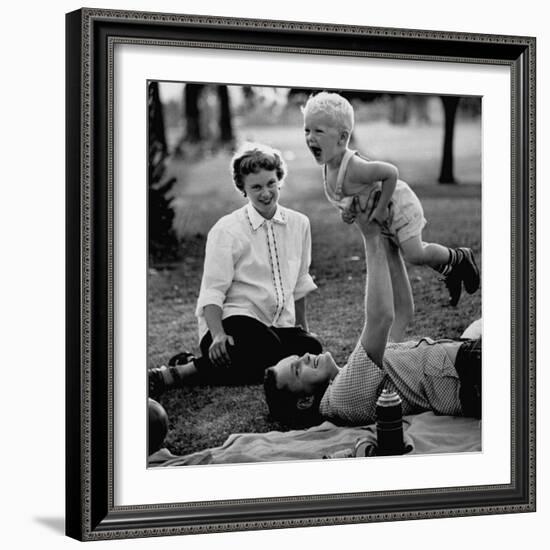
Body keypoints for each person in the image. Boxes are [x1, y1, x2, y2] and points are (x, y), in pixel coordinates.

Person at [264, 195, 481, 428]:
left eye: (297, 358)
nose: (305, 356)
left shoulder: (356, 374)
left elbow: (402, 312)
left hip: (467, 359)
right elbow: (381, 318)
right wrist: (370, 236)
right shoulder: (341, 397)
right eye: (298, 368)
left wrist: (388, 244)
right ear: (305, 401)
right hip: (472, 372)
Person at [149, 143, 322, 396]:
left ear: (279, 180)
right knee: (265, 346)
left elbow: (300, 283)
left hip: (275, 327)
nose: (266, 193)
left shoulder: (299, 224)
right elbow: (212, 291)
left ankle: (196, 365)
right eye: (256, 187)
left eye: (271, 183)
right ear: (243, 189)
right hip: (233, 324)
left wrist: (302, 329)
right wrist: (217, 335)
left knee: (312, 347)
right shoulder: (227, 229)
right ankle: (179, 374)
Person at [302, 91, 480, 307]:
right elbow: (349, 197)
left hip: (400, 206)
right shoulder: (329, 168)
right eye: (307, 130)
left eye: (318, 131)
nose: (310, 137)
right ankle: (450, 272)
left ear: (341, 138)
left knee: (415, 254)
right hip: (385, 218)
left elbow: (391, 173)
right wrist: (346, 212)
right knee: (409, 252)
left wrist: (379, 209)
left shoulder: (355, 167)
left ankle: (459, 257)